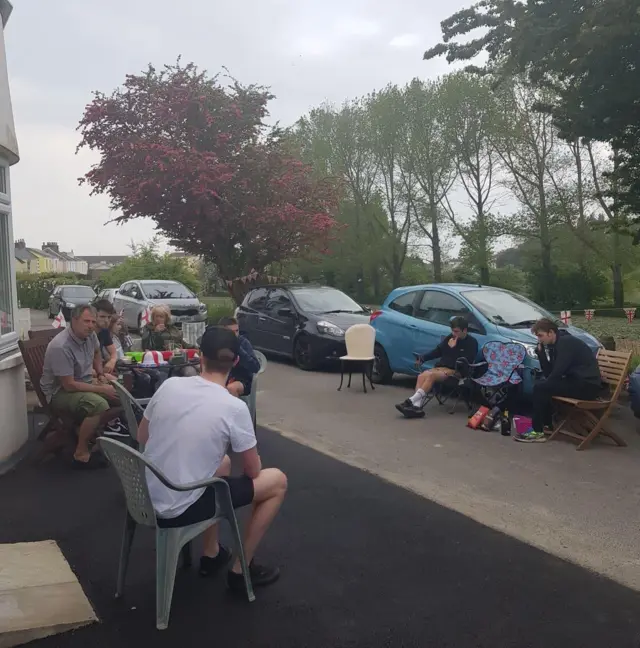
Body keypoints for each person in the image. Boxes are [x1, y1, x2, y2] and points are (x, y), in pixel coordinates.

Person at [138, 326, 287, 591]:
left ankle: (211, 553)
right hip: (178, 507)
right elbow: (253, 472)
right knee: (276, 482)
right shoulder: (233, 407)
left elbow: (142, 435)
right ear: (236, 362)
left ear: (200, 357)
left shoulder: (170, 386)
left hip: (144, 497)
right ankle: (242, 572)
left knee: (224, 465)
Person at [40, 304, 119, 468]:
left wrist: (101, 374)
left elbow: (97, 352)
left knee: (121, 394)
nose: (90, 325)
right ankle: (81, 451)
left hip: (83, 381)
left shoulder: (90, 335)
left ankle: (89, 435)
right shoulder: (61, 346)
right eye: (86, 321)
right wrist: (101, 388)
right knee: (99, 405)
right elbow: (69, 385)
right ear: (73, 321)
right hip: (59, 392)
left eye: (92, 321)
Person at [515, 318, 602, 443]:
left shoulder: (566, 343)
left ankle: (538, 431)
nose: (539, 339)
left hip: (587, 386)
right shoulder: (555, 344)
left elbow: (556, 373)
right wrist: (541, 354)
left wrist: (545, 384)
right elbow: (550, 373)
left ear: (551, 332)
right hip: (576, 382)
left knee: (541, 388)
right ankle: (546, 425)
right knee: (542, 387)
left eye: (541, 335)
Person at [396, 316, 478, 419]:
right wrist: (423, 358)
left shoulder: (472, 342)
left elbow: (467, 361)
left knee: (431, 376)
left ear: (464, 330)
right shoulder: (450, 338)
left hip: (456, 371)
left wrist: (454, 348)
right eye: (452, 331)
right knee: (421, 376)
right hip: (441, 368)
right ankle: (416, 407)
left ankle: (410, 401)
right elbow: (437, 351)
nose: (454, 334)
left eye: (456, 331)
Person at [219, 316, 260, 398]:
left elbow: (255, 367)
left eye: (237, 331)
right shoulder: (218, 343)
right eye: (231, 332)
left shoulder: (243, 343)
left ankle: (234, 410)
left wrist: (239, 349)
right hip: (221, 377)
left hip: (241, 380)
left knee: (231, 388)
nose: (235, 334)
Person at [94, 299, 118, 375]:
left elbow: (113, 352)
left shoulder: (104, 331)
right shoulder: (87, 332)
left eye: (109, 317)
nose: (106, 320)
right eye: (102, 316)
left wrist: (112, 361)